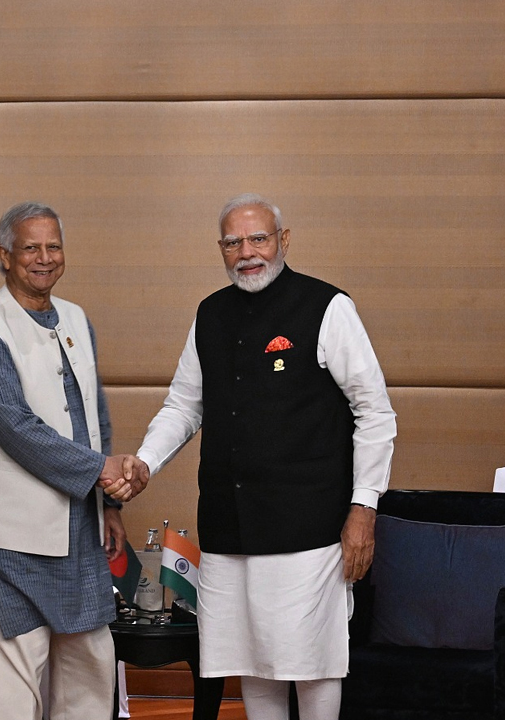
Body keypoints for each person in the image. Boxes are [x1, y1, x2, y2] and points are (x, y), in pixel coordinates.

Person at [130, 193, 398, 720]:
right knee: (250, 660)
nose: (247, 252)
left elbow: (375, 412)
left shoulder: (327, 307)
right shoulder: (210, 313)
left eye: (259, 239)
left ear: (284, 240)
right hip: (228, 527)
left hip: (308, 528)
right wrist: (144, 462)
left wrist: (364, 508)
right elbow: (183, 406)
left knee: (312, 662)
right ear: (221, 249)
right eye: (233, 242)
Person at [0, 201, 147, 720]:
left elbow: (94, 417)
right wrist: (103, 471)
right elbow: (18, 430)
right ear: (5, 255)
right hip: (10, 542)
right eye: (30, 247)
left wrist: (109, 505)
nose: (44, 258)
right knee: (9, 694)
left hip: (77, 533)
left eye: (53, 246)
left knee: (90, 679)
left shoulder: (76, 319)